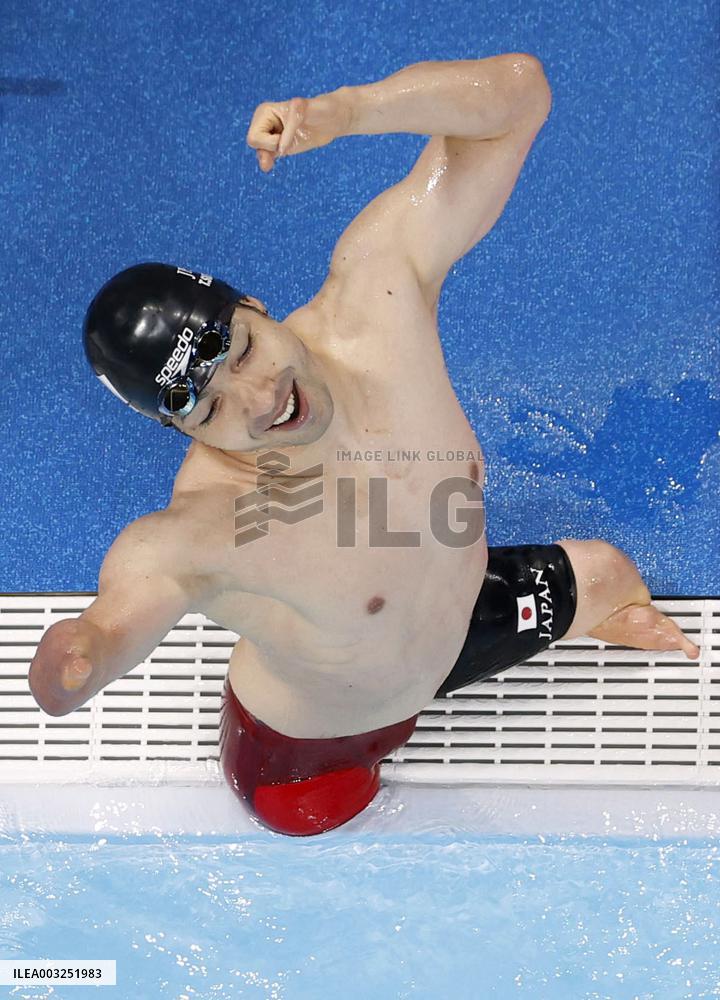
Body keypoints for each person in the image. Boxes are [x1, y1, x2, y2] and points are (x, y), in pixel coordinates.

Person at [29, 54, 700, 836]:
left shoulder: (379, 296)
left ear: (252, 304)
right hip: (312, 745)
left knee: (612, 576)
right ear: (177, 430)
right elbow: (122, 609)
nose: (259, 398)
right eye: (206, 408)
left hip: (453, 626)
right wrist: (82, 658)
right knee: (304, 818)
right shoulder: (213, 527)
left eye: (242, 351)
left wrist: (347, 112)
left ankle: (558, 617)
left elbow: (520, 94)